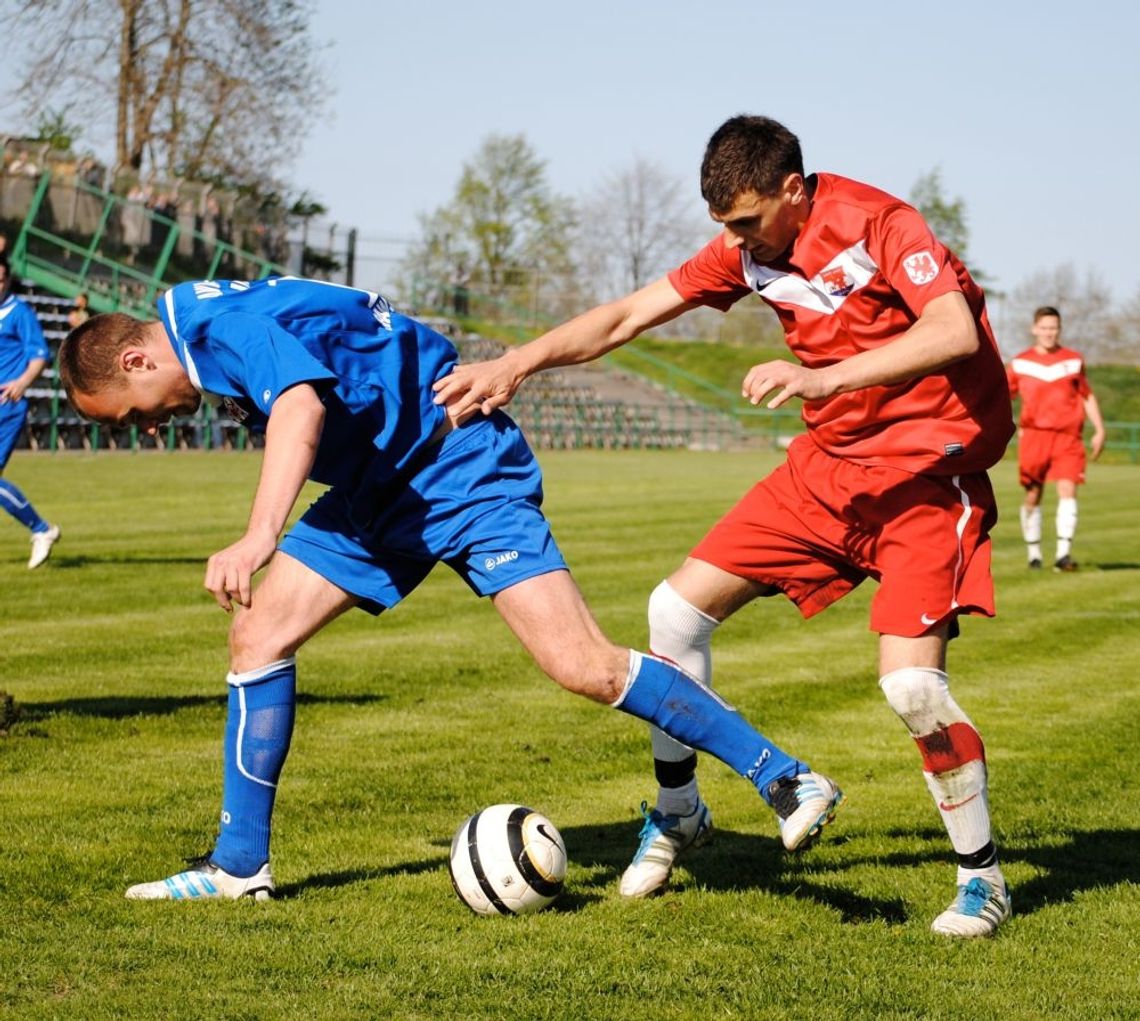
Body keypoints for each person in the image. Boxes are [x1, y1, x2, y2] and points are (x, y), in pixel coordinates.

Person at [58, 275, 844, 903]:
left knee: (584, 664)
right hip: (381, 483)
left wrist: (260, 533)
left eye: (133, 417)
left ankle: (784, 774)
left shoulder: (212, 328)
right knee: (257, 637)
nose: (150, 429)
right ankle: (238, 868)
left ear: (134, 361)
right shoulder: (199, 317)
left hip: (457, 460)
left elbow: (298, 405)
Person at [433, 115, 1016, 937]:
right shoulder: (746, 251)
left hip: (926, 478)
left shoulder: (881, 223)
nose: (737, 240)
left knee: (913, 688)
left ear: (793, 189)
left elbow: (953, 331)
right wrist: (516, 362)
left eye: (746, 220)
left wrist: (823, 377)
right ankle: (679, 811)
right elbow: (627, 315)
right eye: (723, 227)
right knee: (674, 610)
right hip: (826, 472)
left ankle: (982, 878)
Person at [1006, 306, 1105, 571]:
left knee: (1068, 489)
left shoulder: (1073, 360)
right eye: (1045, 327)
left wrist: (1100, 429)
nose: (1049, 333)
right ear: (1034, 329)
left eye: (1054, 328)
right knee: (1033, 495)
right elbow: (1003, 398)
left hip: (1068, 437)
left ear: (1059, 329)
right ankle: (1034, 554)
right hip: (1035, 436)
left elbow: (1087, 396)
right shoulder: (1019, 363)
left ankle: (1063, 555)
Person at [0, 259, 60, 568]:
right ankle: (41, 529)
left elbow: (39, 356)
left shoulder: (19, 313)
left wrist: (22, 382)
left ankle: (42, 529)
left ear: (7, 281)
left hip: (6, 406)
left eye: (0, 280)